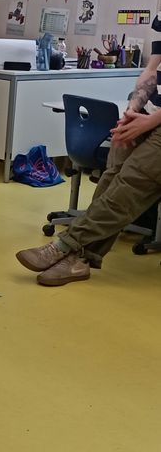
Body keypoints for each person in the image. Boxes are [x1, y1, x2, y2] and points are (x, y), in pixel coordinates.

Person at [16, 25, 161, 286]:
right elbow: (152, 70)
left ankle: (64, 245)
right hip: (145, 115)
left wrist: (149, 123)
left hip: (155, 124)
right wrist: (132, 109)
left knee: (128, 185)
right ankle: (81, 259)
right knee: (112, 179)